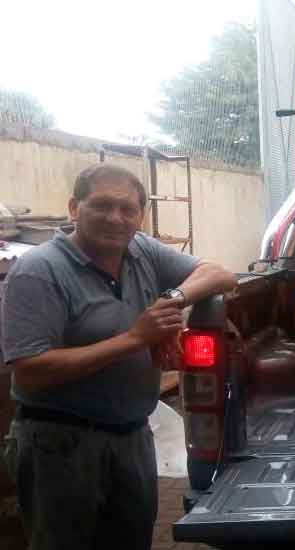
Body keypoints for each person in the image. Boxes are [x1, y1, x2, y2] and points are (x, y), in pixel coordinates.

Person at [1, 163, 237, 550]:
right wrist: (135, 338)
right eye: (102, 206)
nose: (116, 218)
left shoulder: (140, 250)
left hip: (131, 437)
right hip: (59, 445)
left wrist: (170, 303)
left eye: (128, 210)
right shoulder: (39, 271)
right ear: (74, 208)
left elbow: (219, 274)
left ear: (140, 216)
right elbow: (30, 371)